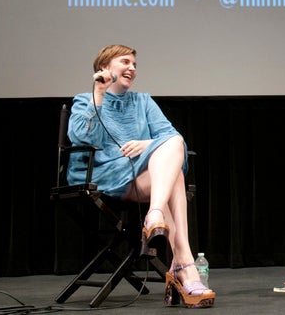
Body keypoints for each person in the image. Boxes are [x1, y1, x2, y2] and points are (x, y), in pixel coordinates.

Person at [67, 44, 215, 309]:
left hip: (143, 174)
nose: (132, 68)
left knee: (174, 155)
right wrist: (98, 95)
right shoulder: (85, 99)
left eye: (135, 64)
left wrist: (146, 144)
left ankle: (155, 217)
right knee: (174, 181)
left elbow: (171, 137)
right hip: (105, 170)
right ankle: (185, 266)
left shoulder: (142, 101)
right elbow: (82, 138)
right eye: (125, 62)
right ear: (104, 67)